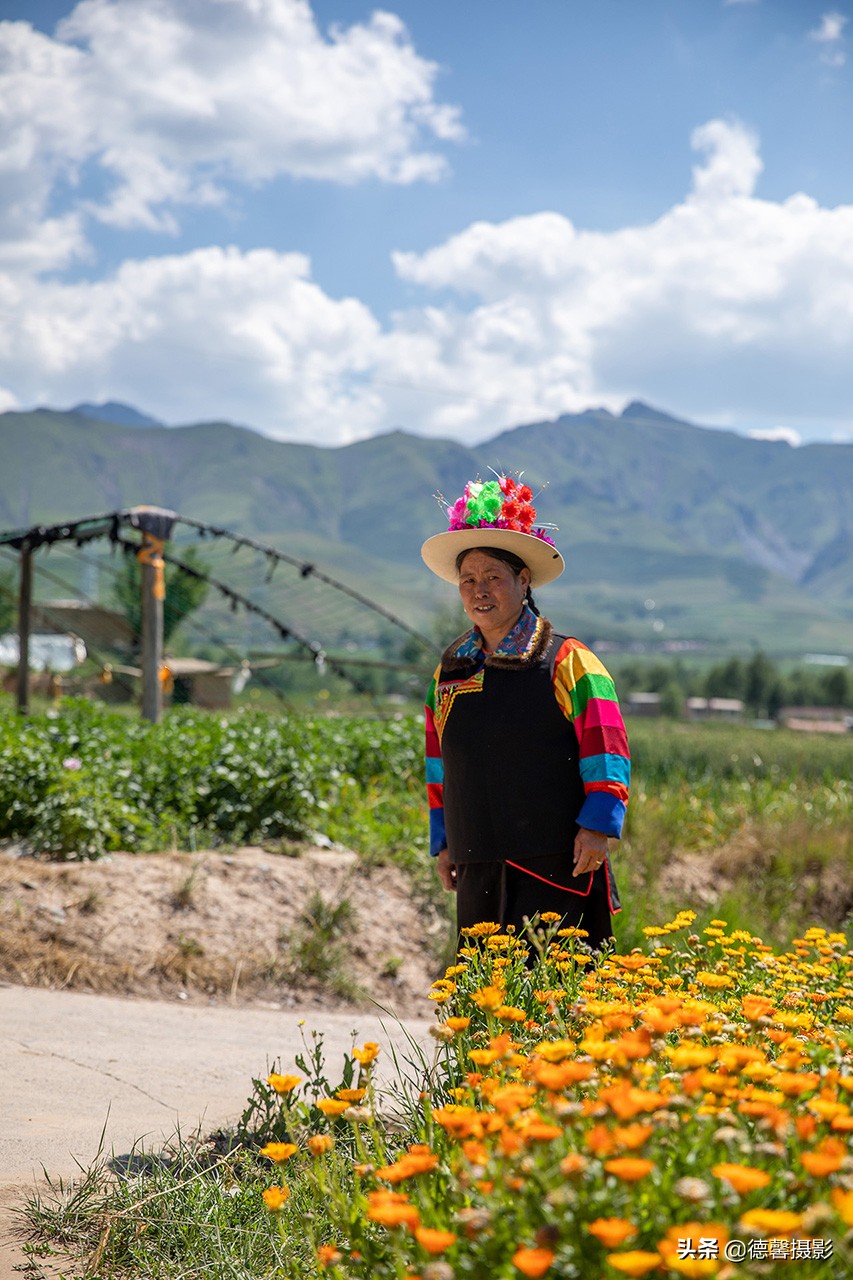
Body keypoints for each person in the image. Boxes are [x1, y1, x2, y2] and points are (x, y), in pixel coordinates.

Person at [421, 473, 630, 949]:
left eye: (493, 577)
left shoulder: (568, 660)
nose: (479, 590)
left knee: (559, 1000)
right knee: (486, 1001)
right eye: (468, 580)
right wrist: (445, 839)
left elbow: (608, 744)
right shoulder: (449, 672)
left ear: (522, 580)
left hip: (558, 864)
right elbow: (441, 764)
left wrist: (598, 826)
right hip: (476, 863)